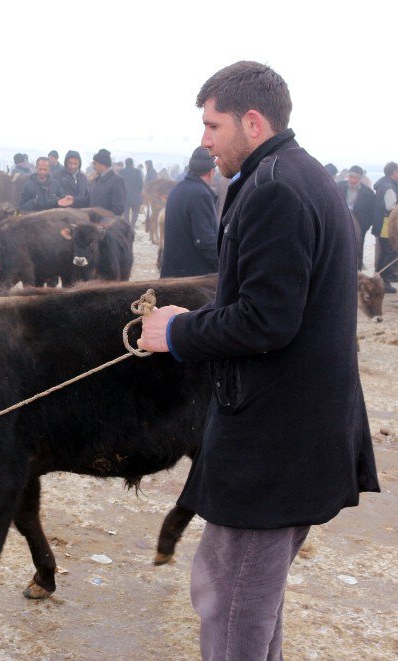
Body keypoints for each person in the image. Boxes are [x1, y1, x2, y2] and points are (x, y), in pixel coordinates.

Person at [138, 61, 379, 661]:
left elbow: (268, 320)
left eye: (212, 124)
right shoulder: (300, 174)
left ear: (252, 120)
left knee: (231, 597)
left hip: (278, 437)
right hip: (292, 428)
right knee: (243, 594)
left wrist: (179, 330)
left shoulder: (276, 187)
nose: (204, 140)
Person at [159, 146, 218, 277]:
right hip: (193, 279)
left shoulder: (177, 189)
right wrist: (223, 265)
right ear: (211, 172)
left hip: (172, 274)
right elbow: (205, 242)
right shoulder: (201, 194)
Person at [338, 165, 378, 270]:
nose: (352, 180)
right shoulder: (338, 187)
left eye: (355, 178)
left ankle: (357, 273)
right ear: (348, 176)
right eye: (351, 177)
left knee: (357, 249)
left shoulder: (368, 193)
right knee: (338, 247)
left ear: (360, 179)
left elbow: (371, 212)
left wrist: (364, 226)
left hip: (359, 225)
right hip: (339, 222)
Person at [372, 161, 398, 290]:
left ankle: (381, 277)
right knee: (389, 251)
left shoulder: (383, 184)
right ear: (394, 172)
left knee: (385, 251)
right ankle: (383, 280)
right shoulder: (388, 187)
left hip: (382, 223)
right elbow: (390, 206)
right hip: (386, 225)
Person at [88, 148, 126, 216]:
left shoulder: (116, 180)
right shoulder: (97, 179)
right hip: (95, 223)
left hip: (106, 224)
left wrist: (105, 221)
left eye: (95, 164)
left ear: (102, 164)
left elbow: (118, 208)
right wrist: (74, 201)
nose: (93, 167)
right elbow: (90, 199)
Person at [119, 157, 144, 226]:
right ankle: (132, 226)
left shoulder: (121, 172)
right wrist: (138, 192)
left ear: (125, 164)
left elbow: (118, 184)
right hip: (135, 196)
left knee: (126, 214)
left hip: (124, 196)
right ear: (132, 163)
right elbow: (141, 184)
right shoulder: (137, 172)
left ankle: (127, 227)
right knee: (135, 213)